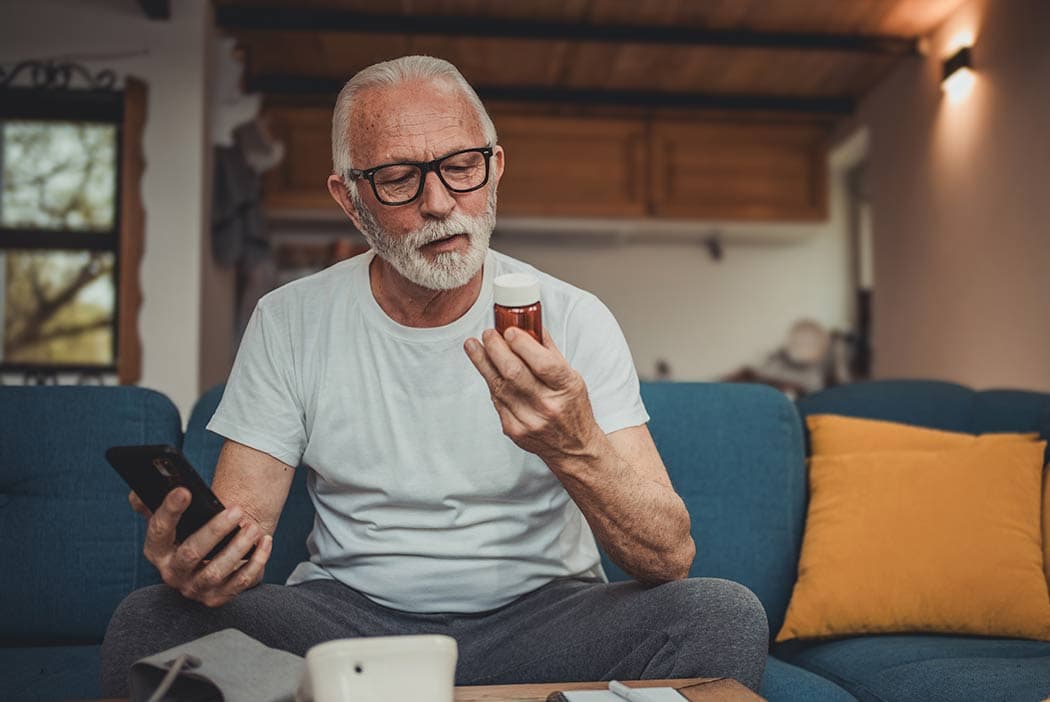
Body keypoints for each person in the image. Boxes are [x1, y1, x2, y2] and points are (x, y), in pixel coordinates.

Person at [100, 56, 768, 695]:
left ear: (495, 166)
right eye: (398, 177)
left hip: (545, 620)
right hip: (349, 622)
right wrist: (204, 559)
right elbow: (241, 535)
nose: (440, 202)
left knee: (721, 614)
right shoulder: (289, 319)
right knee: (150, 620)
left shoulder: (575, 317)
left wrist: (573, 443)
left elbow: (667, 557)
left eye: (461, 167)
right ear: (349, 196)